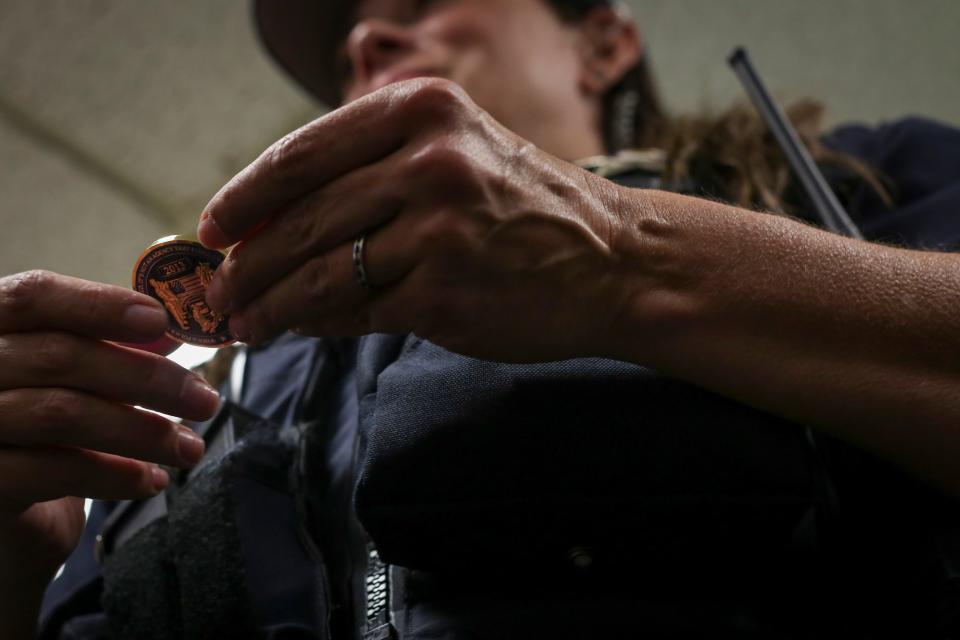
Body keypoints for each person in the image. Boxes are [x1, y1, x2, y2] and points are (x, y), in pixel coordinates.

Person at [2, 0, 960, 637]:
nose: (365, 39)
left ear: (604, 42)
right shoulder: (187, 407)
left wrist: (631, 259)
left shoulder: (843, 186)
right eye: (347, 47)